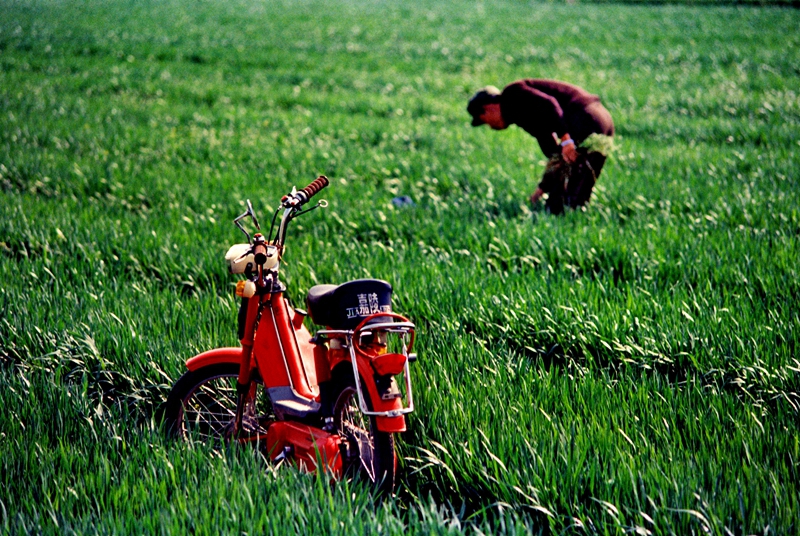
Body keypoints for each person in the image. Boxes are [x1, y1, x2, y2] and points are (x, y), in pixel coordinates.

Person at [467, 79, 614, 214]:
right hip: (601, 119)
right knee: (576, 196)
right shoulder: (521, 114)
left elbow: (549, 104)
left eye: (484, 121)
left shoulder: (512, 94)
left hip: (585, 117)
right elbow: (554, 154)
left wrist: (566, 140)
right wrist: (541, 190)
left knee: (562, 203)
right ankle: (576, 224)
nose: (490, 127)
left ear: (487, 108)